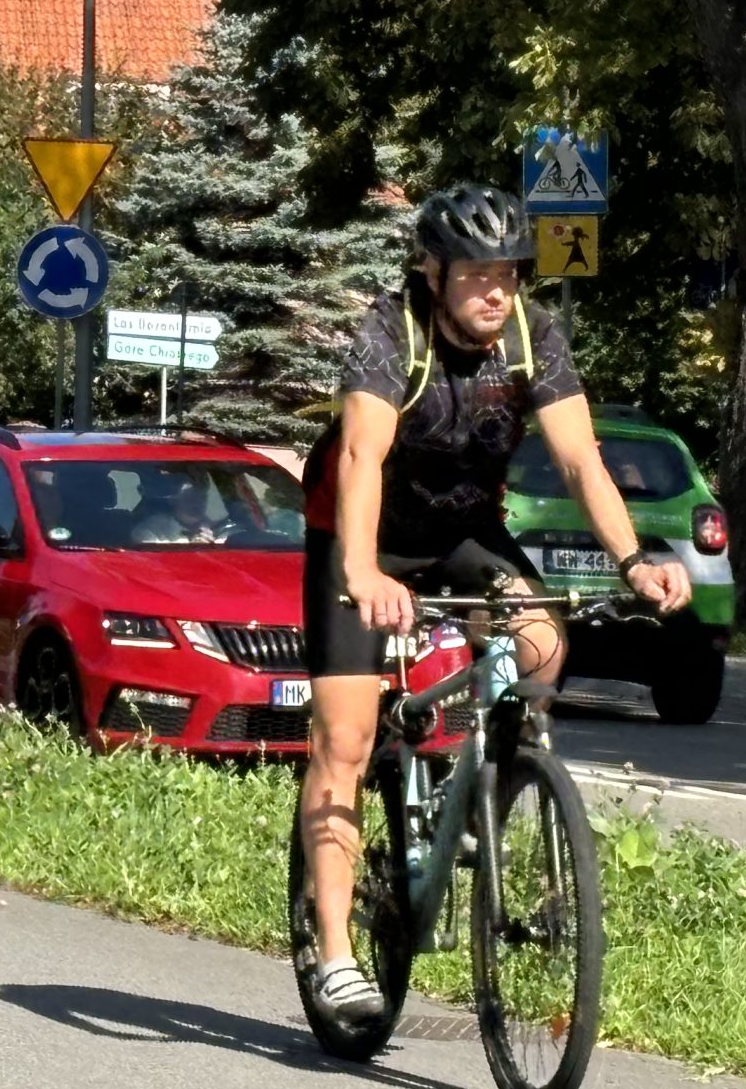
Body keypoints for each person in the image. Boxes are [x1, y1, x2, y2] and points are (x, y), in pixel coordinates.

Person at [294, 183, 691, 1021]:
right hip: (359, 536)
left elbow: (582, 461)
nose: (494, 292)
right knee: (347, 736)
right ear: (433, 274)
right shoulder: (386, 332)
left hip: (463, 532)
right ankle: (334, 955)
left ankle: (494, 789)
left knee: (543, 644)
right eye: (476, 276)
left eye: (507, 274)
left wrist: (633, 562)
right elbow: (361, 459)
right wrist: (364, 575)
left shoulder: (531, 337)